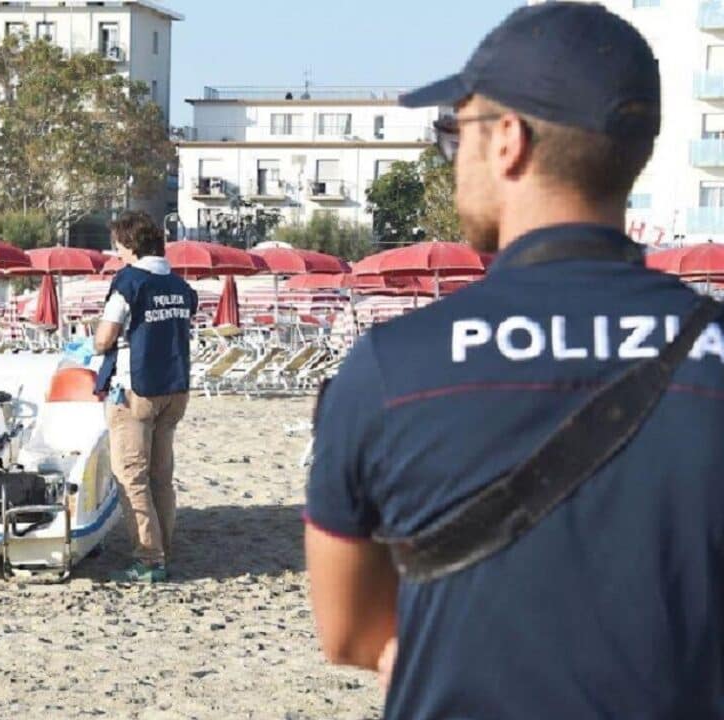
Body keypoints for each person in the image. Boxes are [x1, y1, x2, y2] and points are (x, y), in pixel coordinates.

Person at [305, 3, 724, 718]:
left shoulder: (393, 366)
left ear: (508, 141)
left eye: (453, 132)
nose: (453, 156)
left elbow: (345, 630)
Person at [94, 212, 197, 583]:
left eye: (119, 245)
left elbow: (105, 338)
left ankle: (149, 559)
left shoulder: (129, 281)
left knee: (131, 476)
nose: (116, 252)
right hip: (175, 388)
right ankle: (164, 548)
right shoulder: (180, 285)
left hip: (136, 389)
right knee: (161, 476)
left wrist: (93, 343)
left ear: (131, 245)